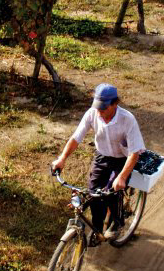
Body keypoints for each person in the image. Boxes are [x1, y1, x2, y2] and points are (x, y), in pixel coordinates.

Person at [51, 84, 144, 246]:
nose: (100, 112)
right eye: (98, 107)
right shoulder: (93, 113)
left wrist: (122, 177)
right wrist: (62, 158)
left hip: (123, 159)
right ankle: (98, 229)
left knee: (112, 191)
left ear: (115, 104)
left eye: (104, 108)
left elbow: (134, 153)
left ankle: (117, 222)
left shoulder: (127, 119)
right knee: (94, 194)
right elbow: (76, 138)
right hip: (102, 157)